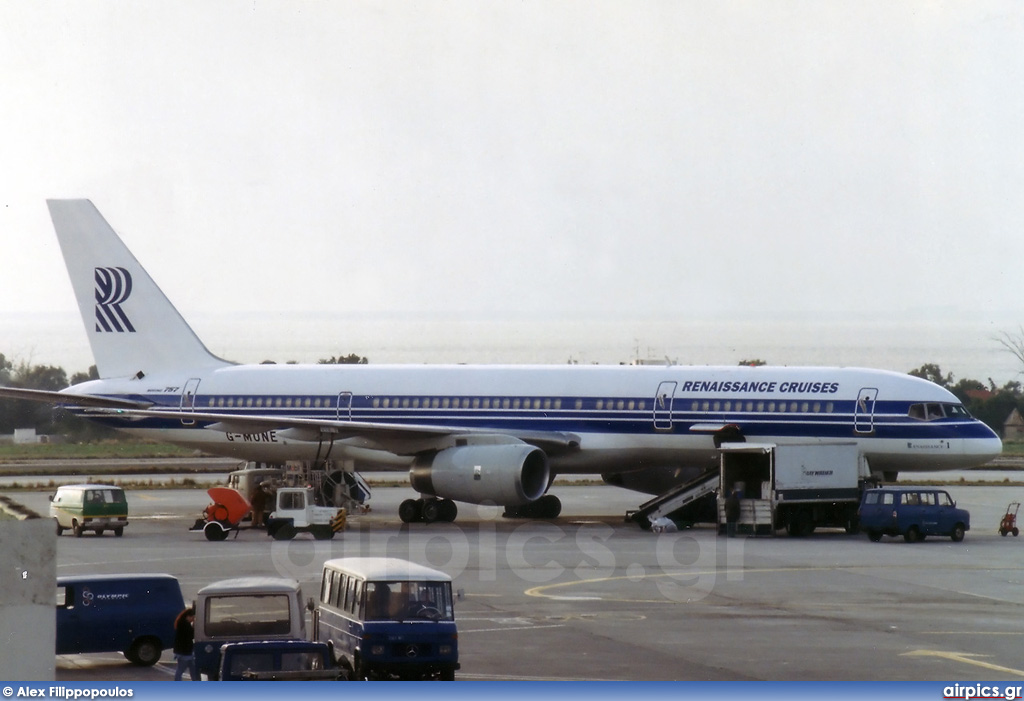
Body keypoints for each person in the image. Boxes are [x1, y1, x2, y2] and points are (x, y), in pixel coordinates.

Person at [173, 606, 199, 681]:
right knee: (182, 669)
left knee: (191, 669)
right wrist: (194, 626)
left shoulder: (181, 623)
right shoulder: (185, 625)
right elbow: (191, 635)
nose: (193, 619)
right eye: (192, 617)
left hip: (183, 651)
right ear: (188, 617)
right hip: (185, 652)